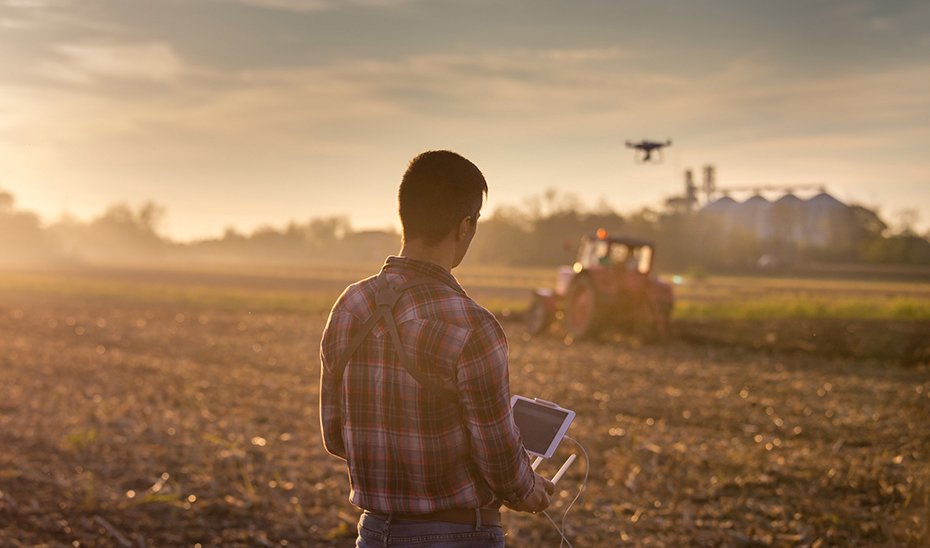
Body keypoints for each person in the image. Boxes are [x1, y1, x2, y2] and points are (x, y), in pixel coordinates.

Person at [319, 150, 554, 547]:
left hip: (373, 533)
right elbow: (498, 458)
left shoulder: (350, 306)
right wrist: (529, 490)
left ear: (405, 215)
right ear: (465, 226)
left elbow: (334, 436)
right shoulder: (472, 325)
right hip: (459, 535)